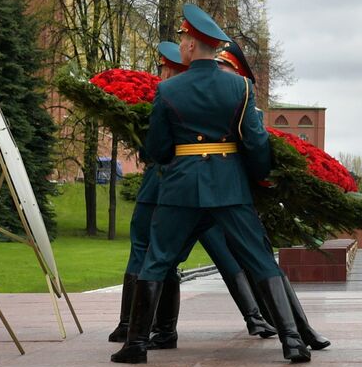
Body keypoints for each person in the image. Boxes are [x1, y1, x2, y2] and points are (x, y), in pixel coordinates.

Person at [111, 4, 309, 364]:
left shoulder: (168, 90)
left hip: (180, 187)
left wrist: (178, 159)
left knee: (157, 260)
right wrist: (257, 176)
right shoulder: (241, 86)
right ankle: (293, 342)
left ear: (189, 46)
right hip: (229, 185)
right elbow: (255, 142)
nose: (183, 43)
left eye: (184, 38)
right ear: (212, 47)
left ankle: (136, 344)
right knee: (260, 258)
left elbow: (156, 147)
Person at [108, 41, 275, 347]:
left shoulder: (172, 93)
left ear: (175, 66)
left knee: (152, 254)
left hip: (172, 188)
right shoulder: (206, 92)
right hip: (213, 186)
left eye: (165, 67)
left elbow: (159, 148)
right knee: (226, 254)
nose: (163, 72)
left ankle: (135, 327)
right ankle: (259, 319)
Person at [216, 40, 329, 351]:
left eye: (225, 69)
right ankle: (137, 336)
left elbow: (254, 149)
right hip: (187, 197)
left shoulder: (244, 103)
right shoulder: (194, 94)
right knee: (155, 259)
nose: (219, 74)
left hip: (229, 196)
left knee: (260, 258)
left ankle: (297, 332)